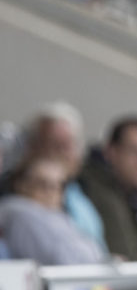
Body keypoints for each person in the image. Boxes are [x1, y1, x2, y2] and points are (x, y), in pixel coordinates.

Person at [2, 102, 107, 254]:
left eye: (66, 146)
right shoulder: (14, 200)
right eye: (52, 144)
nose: (59, 154)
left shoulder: (82, 191)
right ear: (32, 147)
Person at [78, 115, 137, 261]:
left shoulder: (132, 194)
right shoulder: (97, 190)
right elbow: (128, 256)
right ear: (111, 152)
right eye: (135, 152)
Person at [0, 154, 105, 265]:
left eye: (58, 185)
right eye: (43, 184)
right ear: (22, 185)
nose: (51, 192)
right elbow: (60, 259)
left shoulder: (59, 215)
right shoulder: (21, 214)